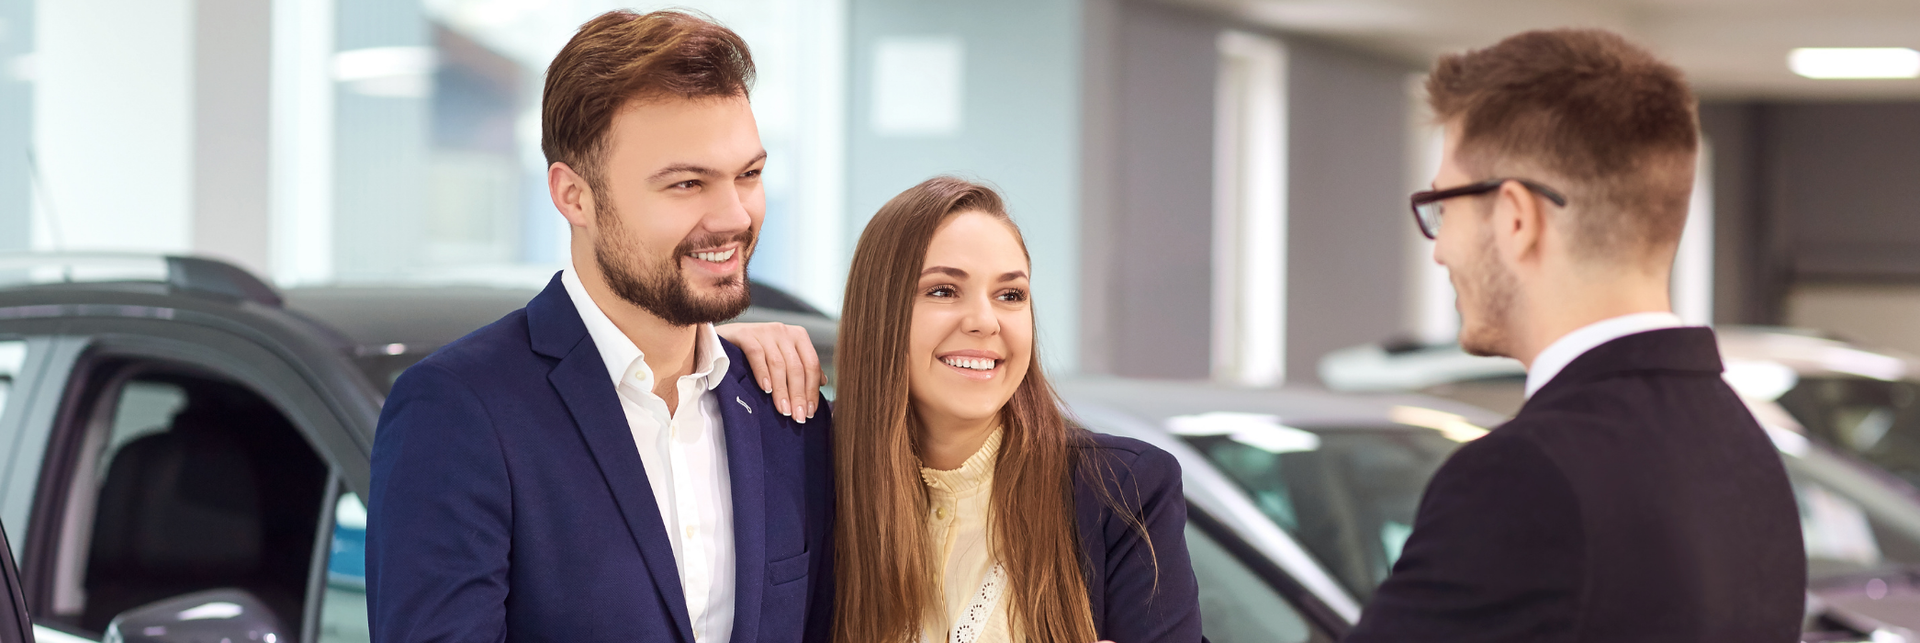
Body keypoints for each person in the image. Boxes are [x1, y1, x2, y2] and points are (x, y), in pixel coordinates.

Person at [366, 10, 832, 643]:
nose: (734, 216)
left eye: (748, 175)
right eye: (687, 183)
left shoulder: (785, 407)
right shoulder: (458, 411)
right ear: (574, 196)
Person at [1344, 29, 1805, 642]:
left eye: (1443, 206)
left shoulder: (1521, 476)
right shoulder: (1746, 449)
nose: (1440, 249)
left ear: (1516, 217)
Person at [828, 177, 1201, 643]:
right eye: (943, 290)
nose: (985, 322)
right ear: (877, 311)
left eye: (1010, 295)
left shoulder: (1122, 491)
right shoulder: (810, 477)